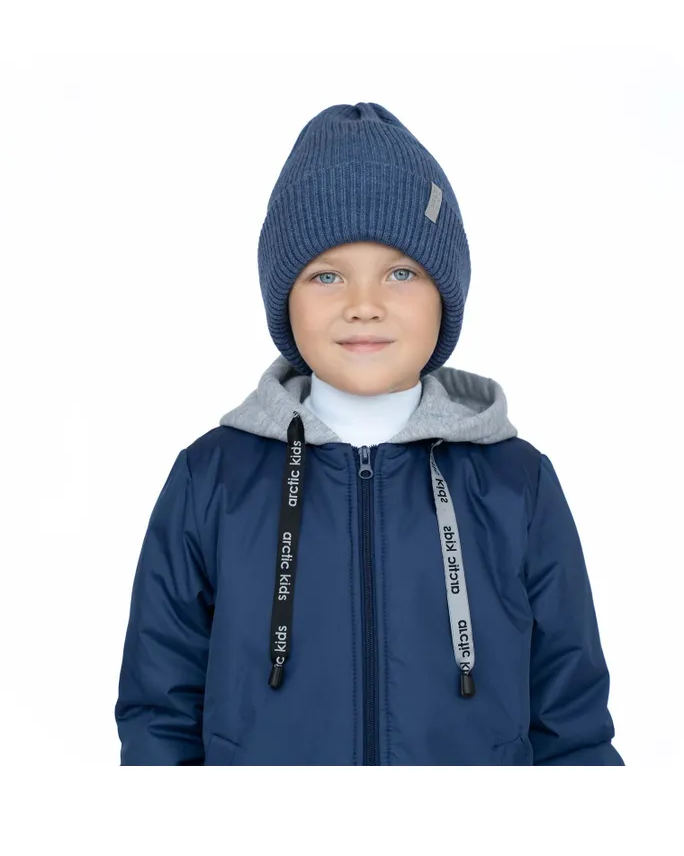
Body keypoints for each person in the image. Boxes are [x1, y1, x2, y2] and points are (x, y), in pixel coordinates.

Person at [114, 102, 624, 766]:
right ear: (284, 299)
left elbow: (572, 719)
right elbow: (159, 713)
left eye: (401, 272)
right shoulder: (212, 479)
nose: (364, 305)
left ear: (445, 296)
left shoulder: (515, 481)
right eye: (326, 275)